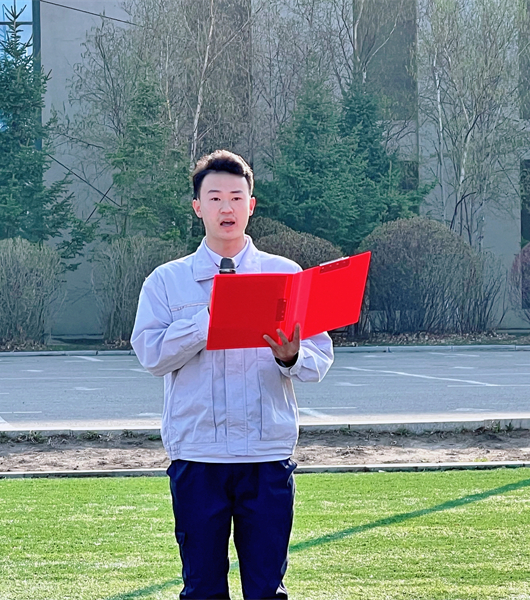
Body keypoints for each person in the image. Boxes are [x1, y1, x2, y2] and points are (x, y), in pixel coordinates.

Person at [131, 150, 334, 599]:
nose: (227, 208)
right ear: (197, 207)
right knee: (202, 588)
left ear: (251, 205)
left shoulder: (286, 275)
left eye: (237, 198)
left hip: (266, 455)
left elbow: (319, 358)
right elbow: (151, 355)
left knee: (267, 589)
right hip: (198, 456)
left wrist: (290, 357)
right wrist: (207, 320)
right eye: (215, 197)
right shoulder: (167, 281)